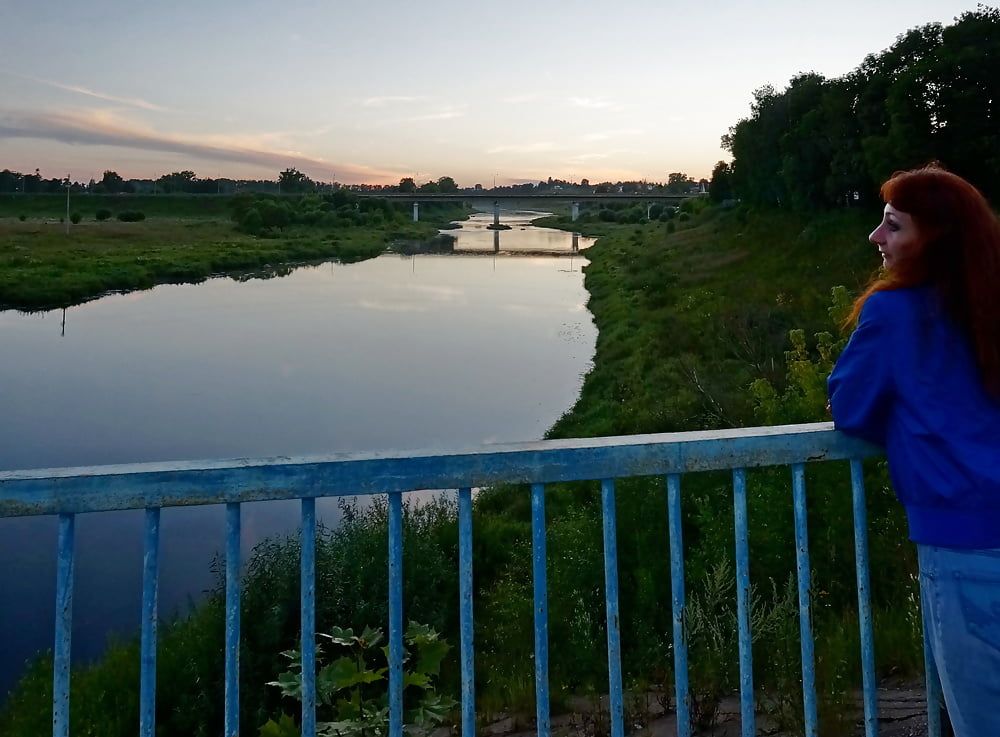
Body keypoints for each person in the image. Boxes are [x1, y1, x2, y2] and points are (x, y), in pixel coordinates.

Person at [827, 163, 1000, 737]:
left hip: (965, 549)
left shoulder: (895, 313)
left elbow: (850, 408)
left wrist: (907, 422)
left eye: (892, 225)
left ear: (934, 240)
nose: (877, 237)